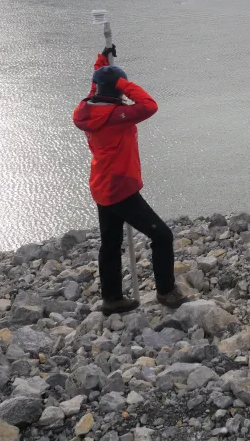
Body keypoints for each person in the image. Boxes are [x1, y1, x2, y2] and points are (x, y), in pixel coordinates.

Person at [72, 45, 189, 315]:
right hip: (121, 188)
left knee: (110, 244)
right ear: (118, 91)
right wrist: (124, 83)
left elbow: (95, 90)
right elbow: (149, 106)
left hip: (101, 186)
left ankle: (112, 299)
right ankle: (166, 292)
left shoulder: (86, 111)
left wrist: (102, 66)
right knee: (162, 235)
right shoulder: (116, 117)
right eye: (120, 90)